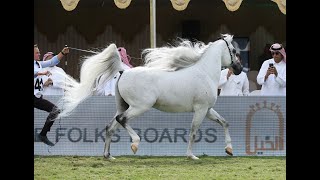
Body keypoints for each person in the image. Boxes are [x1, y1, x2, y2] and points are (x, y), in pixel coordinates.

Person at [34, 44, 69, 146]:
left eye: (39, 52)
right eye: (37, 53)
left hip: (36, 98)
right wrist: (42, 75)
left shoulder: (38, 64)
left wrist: (62, 52)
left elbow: (52, 61)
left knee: (55, 111)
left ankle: (42, 135)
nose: (39, 54)